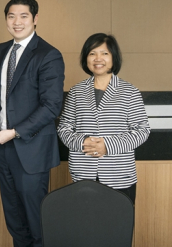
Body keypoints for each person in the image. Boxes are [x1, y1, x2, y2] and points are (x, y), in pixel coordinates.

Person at [0, 0, 65, 247]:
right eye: (11, 16)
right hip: (3, 148)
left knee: (36, 222)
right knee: (14, 220)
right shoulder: (2, 50)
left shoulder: (48, 54)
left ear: (35, 19)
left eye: (23, 16)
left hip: (31, 150)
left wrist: (15, 131)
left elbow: (51, 105)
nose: (17, 22)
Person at [57, 33, 150, 204]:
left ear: (114, 58)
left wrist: (108, 146)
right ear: (86, 58)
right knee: (86, 227)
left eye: (105, 53)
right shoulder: (76, 92)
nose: (98, 58)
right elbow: (64, 128)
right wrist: (82, 142)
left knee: (117, 228)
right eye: (92, 53)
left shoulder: (130, 92)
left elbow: (142, 131)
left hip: (119, 175)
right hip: (83, 174)